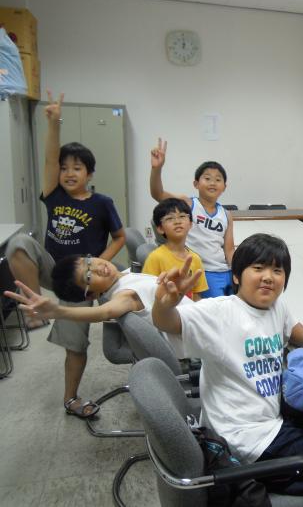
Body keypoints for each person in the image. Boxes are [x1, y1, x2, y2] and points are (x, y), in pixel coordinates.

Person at [152, 234, 303, 506]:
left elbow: (291, 325)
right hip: (245, 439)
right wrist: (164, 305)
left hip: (264, 420)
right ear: (236, 275)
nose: (268, 277)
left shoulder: (276, 306)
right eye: (258, 268)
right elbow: (168, 322)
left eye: (277, 270)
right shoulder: (220, 313)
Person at [6, 91, 125, 419]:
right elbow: (48, 160)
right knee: (18, 244)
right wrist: (53, 123)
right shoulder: (55, 195)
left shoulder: (102, 203)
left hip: (81, 278)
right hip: (52, 267)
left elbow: (119, 237)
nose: (69, 173)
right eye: (64, 168)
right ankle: (35, 309)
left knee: (75, 343)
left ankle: (70, 398)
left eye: (77, 168)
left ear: (90, 173)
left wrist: (99, 261)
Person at [4, 254, 193, 359]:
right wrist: (58, 311)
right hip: (195, 341)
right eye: (88, 276)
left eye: (88, 261)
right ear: (91, 295)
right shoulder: (124, 294)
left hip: (195, 323)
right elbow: (105, 311)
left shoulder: (124, 277)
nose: (97, 267)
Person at [149, 138, 235, 297]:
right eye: (207, 178)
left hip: (225, 270)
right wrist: (157, 169)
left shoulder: (226, 214)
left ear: (224, 187)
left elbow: (229, 250)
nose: (212, 183)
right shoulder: (188, 204)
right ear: (196, 184)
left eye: (218, 179)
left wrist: (237, 271)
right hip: (201, 270)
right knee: (218, 308)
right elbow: (158, 194)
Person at [142, 198, 209, 301]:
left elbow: (197, 295)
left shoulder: (195, 259)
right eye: (170, 218)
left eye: (182, 216)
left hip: (189, 309)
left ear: (190, 224)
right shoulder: (155, 257)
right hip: (164, 308)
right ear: (160, 228)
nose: (177, 222)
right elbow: (147, 293)